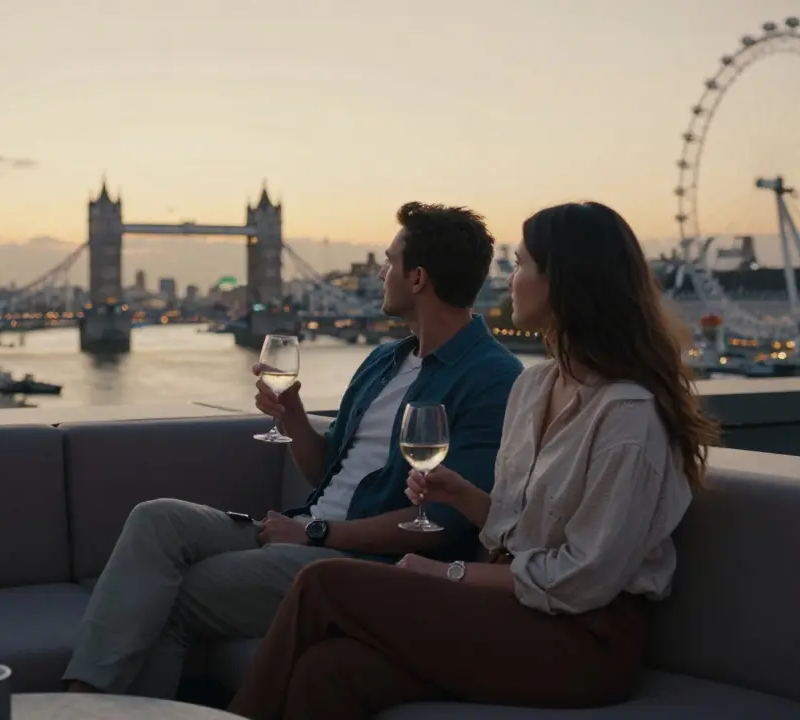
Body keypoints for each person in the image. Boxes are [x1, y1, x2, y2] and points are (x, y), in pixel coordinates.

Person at [228, 201, 722, 720]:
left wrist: (450, 574)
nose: (509, 277)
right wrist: (464, 496)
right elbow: (522, 530)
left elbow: (582, 580)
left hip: (584, 641)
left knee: (322, 583)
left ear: (567, 282)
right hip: (513, 611)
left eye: (522, 264)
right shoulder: (535, 385)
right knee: (328, 672)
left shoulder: (629, 417)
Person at [61, 202, 524, 698]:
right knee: (157, 519)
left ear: (416, 279)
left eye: (388, 262)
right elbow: (328, 471)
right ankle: (79, 701)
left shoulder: (493, 379)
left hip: (363, 565)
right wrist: (295, 419)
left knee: (165, 594)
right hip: (311, 530)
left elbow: (440, 524)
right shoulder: (385, 359)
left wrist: (314, 534)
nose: (382, 272)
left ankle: (85, 707)